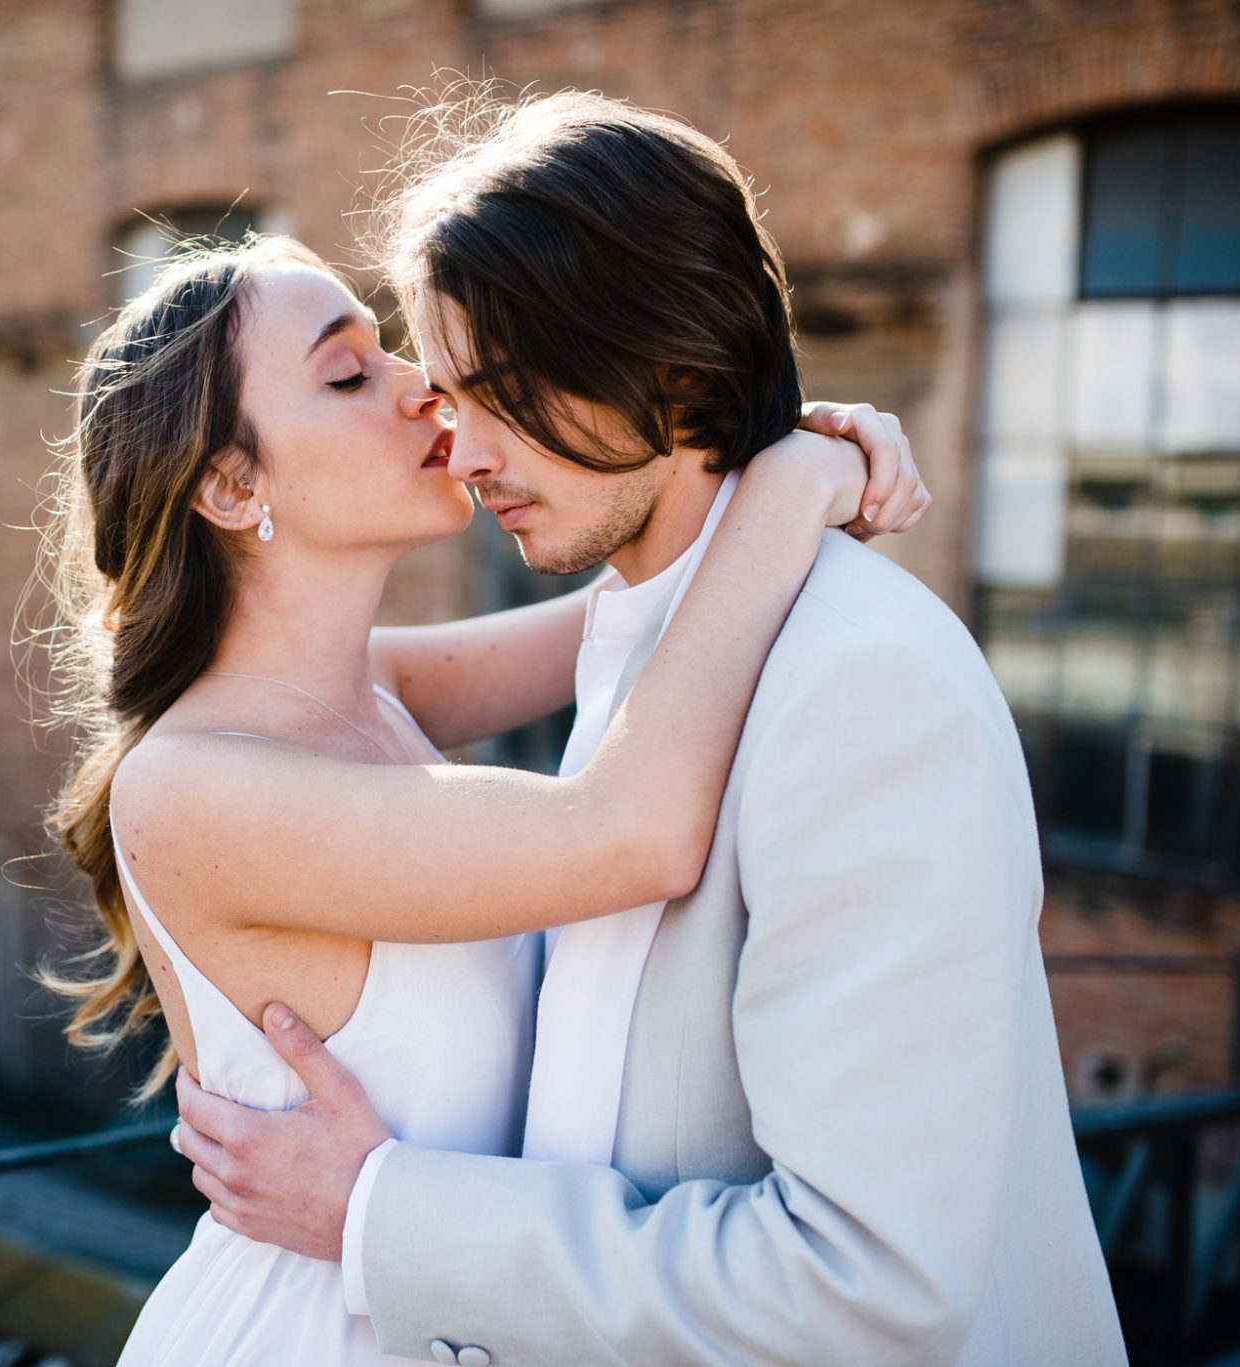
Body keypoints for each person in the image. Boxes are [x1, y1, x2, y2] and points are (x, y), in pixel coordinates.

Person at [170, 91, 1129, 1366]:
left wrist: (380, 1210)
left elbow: (868, 1291)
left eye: (497, 395)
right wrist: (797, 475)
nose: (459, 450)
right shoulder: (662, 650)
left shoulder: (857, 687)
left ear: (669, 370)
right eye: (448, 394)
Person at [26, 219, 925, 1365]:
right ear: (229, 481)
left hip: (454, 1312)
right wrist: (795, 482)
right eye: (351, 372)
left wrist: (773, 449)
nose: (426, 389)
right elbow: (631, 833)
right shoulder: (192, 787)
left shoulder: (372, 688)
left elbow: (653, 613)